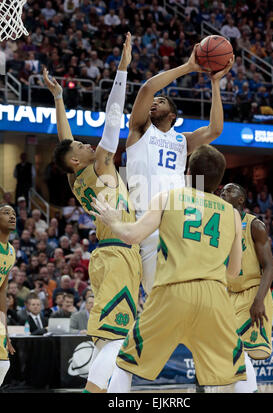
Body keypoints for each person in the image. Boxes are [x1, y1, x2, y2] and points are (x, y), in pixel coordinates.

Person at [90, 144, 246, 392]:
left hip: (173, 292)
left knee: (125, 363)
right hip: (214, 297)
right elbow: (234, 272)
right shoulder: (233, 214)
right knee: (236, 370)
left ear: (188, 171)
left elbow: (133, 235)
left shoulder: (169, 197)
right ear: (219, 181)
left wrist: (114, 222)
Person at [43, 33, 142, 393]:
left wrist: (58, 97)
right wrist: (122, 69)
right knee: (116, 339)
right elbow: (113, 116)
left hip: (109, 253)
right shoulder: (100, 163)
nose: (89, 144)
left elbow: (62, 142)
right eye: (82, 146)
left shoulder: (75, 178)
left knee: (110, 340)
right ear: (77, 159)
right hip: (117, 254)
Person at [125, 43, 234, 295]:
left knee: (182, 294)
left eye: (160, 101)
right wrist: (188, 67)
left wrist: (215, 84)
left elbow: (215, 129)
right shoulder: (140, 130)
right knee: (157, 295)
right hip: (145, 221)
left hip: (179, 220)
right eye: (154, 101)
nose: (154, 102)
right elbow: (147, 88)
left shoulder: (182, 141)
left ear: (172, 114)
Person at [220, 183, 273, 393]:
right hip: (229, 294)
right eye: (222, 190)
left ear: (241, 199)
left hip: (253, 292)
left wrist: (260, 300)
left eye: (229, 190)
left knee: (236, 350)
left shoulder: (255, 225)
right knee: (227, 354)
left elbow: (270, 265)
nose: (224, 192)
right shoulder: (218, 225)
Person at [0, 204, 16, 386]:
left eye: (13, 214)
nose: (12, 216)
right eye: (6, 213)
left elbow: (2, 290)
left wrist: (5, 331)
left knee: (3, 363)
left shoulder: (11, 251)